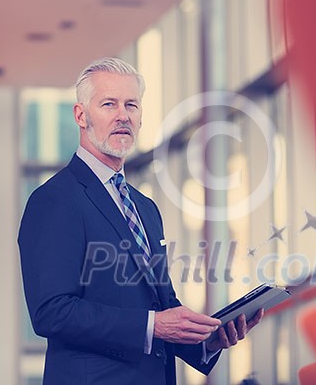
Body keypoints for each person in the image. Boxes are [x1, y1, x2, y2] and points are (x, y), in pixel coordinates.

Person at [18, 57, 263, 385]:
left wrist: (207, 340)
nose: (123, 115)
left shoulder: (145, 207)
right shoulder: (54, 200)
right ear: (81, 115)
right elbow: (52, 311)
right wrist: (152, 326)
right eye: (109, 104)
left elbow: (162, 305)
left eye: (131, 105)